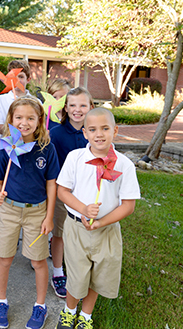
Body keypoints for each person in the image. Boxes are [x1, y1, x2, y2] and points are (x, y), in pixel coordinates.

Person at [55, 108, 140, 329]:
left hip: (107, 230)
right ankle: (69, 311)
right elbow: (62, 191)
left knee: (97, 275)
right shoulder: (76, 158)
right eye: (92, 129)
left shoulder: (124, 164)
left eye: (105, 128)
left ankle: (85, 315)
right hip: (76, 228)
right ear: (85, 133)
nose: (99, 134)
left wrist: (101, 222)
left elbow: (128, 205)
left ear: (115, 130)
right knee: (77, 275)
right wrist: (84, 208)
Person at [0, 96, 59, 329]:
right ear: (10, 119)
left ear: (39, 120)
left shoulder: (46, 148)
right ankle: (1, 301)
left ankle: (40, 305)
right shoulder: (3, 147)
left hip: (36, 212)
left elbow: (52, 184)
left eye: (30, 118)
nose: (24, 122)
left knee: (38, 260)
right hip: (9, 210)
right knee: (4, 258)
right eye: (19, 117)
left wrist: (49, 217)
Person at [49, 87, 94, 299]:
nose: (78, 110)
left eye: (83, 105)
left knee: (86, 232)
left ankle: (81, 269)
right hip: (63, 193)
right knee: (60, 234)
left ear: (91, 107)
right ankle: (58, 272)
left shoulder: (95, 132)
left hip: (89, 193)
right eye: (73, 105)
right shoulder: (56, 134)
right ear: (65, 107)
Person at [0, 60, 36, 136]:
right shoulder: (0, 100)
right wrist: (17, 134)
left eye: (21, 77)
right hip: (9, 142)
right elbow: (0, 127)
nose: (17, 80)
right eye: (13, 77)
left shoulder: (36, 102)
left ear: (28, 79)